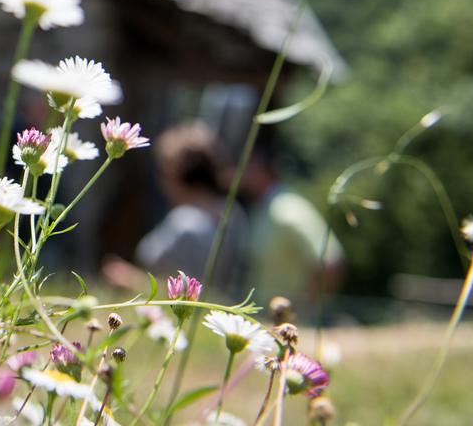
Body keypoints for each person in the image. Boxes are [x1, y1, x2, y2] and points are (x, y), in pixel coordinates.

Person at [104, 122, 246, 294]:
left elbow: (185, 294)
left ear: (174, 172)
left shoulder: (185, 223)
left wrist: (129, 280)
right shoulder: (234, 213)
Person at [237, 149, 343, 313]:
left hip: (286, 322)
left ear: (262, 171)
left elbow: (330, 261)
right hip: (265, 317)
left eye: (247, 168)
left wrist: (304, 309)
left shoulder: (288, 209)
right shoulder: (263, 208)